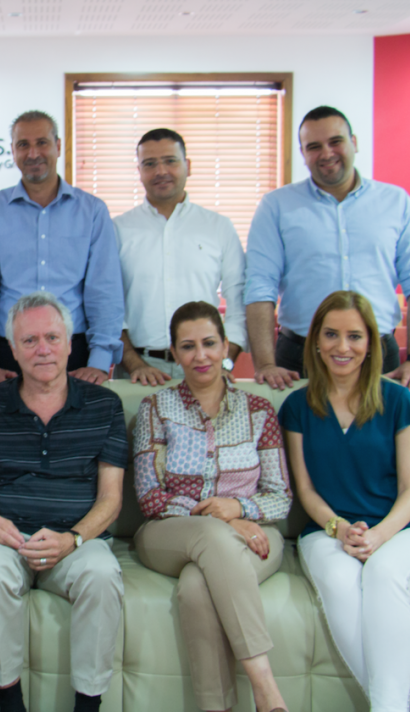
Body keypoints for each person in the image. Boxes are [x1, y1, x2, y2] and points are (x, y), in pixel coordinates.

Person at [279, 291, 410, 712]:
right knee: (339, 581)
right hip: (327, 530)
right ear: (315, 341)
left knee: (382, 574)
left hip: (406, 530)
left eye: (355, 336)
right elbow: (307, 491)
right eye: (331, 334)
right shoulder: (298, 405)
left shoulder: (398, 401)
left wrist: (378, 535)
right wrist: (339, 527)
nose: (343, 346)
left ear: (372, 343)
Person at [0, 291, 128, 712]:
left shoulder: (105, 405)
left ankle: (88, 706)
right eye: (29, 341)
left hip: (75, 541)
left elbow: (111, 499)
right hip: (4, 537)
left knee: (103, 576)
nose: (43, 350)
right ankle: (10, 705)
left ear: (71, 344)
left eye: (52, 338)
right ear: (13, 350)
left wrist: (72, 539)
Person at [132, 301, 292, 712]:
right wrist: (222, 520)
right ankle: (266, 691)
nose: (199, 355)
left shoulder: (259, 411)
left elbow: (280, 496)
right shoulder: (155, 408)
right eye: (187, 346)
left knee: (197, 588)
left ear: (225, 347)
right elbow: (151, 497)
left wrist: (236, 509)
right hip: (169, 533)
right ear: (173, 353)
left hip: (255, 534)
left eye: (208, 343)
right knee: (209, 534)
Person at [244, 106, 410, 393]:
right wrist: (264, 364)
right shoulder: (276, 206)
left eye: (335, 141)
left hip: (377, 354)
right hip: (300, 356)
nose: (326, 153)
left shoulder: (396, 203)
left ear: (354, 143)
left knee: (376, 438)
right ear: (303, 153)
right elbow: (259, 285)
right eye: (314, 146)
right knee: (296, 439)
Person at [0, 110, 124, 388]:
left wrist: (99, 360)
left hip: (75, 353)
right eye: (23, 144)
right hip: (7, 353)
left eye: (42, 142)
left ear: (58, 146)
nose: (33, 153)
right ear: (13, 151)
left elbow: (104, 289)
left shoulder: (93, 211)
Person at [114, 128, 247, 386]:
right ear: (139, 171)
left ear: (187, 165)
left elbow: (238, 300)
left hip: (205, 368)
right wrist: (134, 363)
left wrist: (226, 360)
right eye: (149, 164)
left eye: (170, 161)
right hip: (138, 372)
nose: (160, 171)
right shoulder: (117, 229)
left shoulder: (218, 227)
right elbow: (108, 307)